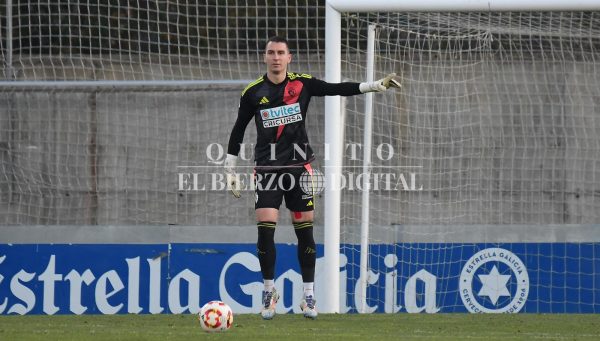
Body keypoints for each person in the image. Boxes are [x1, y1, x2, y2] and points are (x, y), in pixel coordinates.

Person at [224, 36, 398, 320]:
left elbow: (337, 88)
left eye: (281, 52)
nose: (276, 57)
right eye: (271, 53)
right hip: (267, 170)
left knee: (304, 227)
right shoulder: (253, 92)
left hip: (299, 167)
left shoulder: (302, 83)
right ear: (264, 57)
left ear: (289, 57)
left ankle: (308, 296)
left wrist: (373, 86)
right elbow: (238, 130)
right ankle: (269, 292)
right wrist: (229, 170)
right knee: (265, 226)